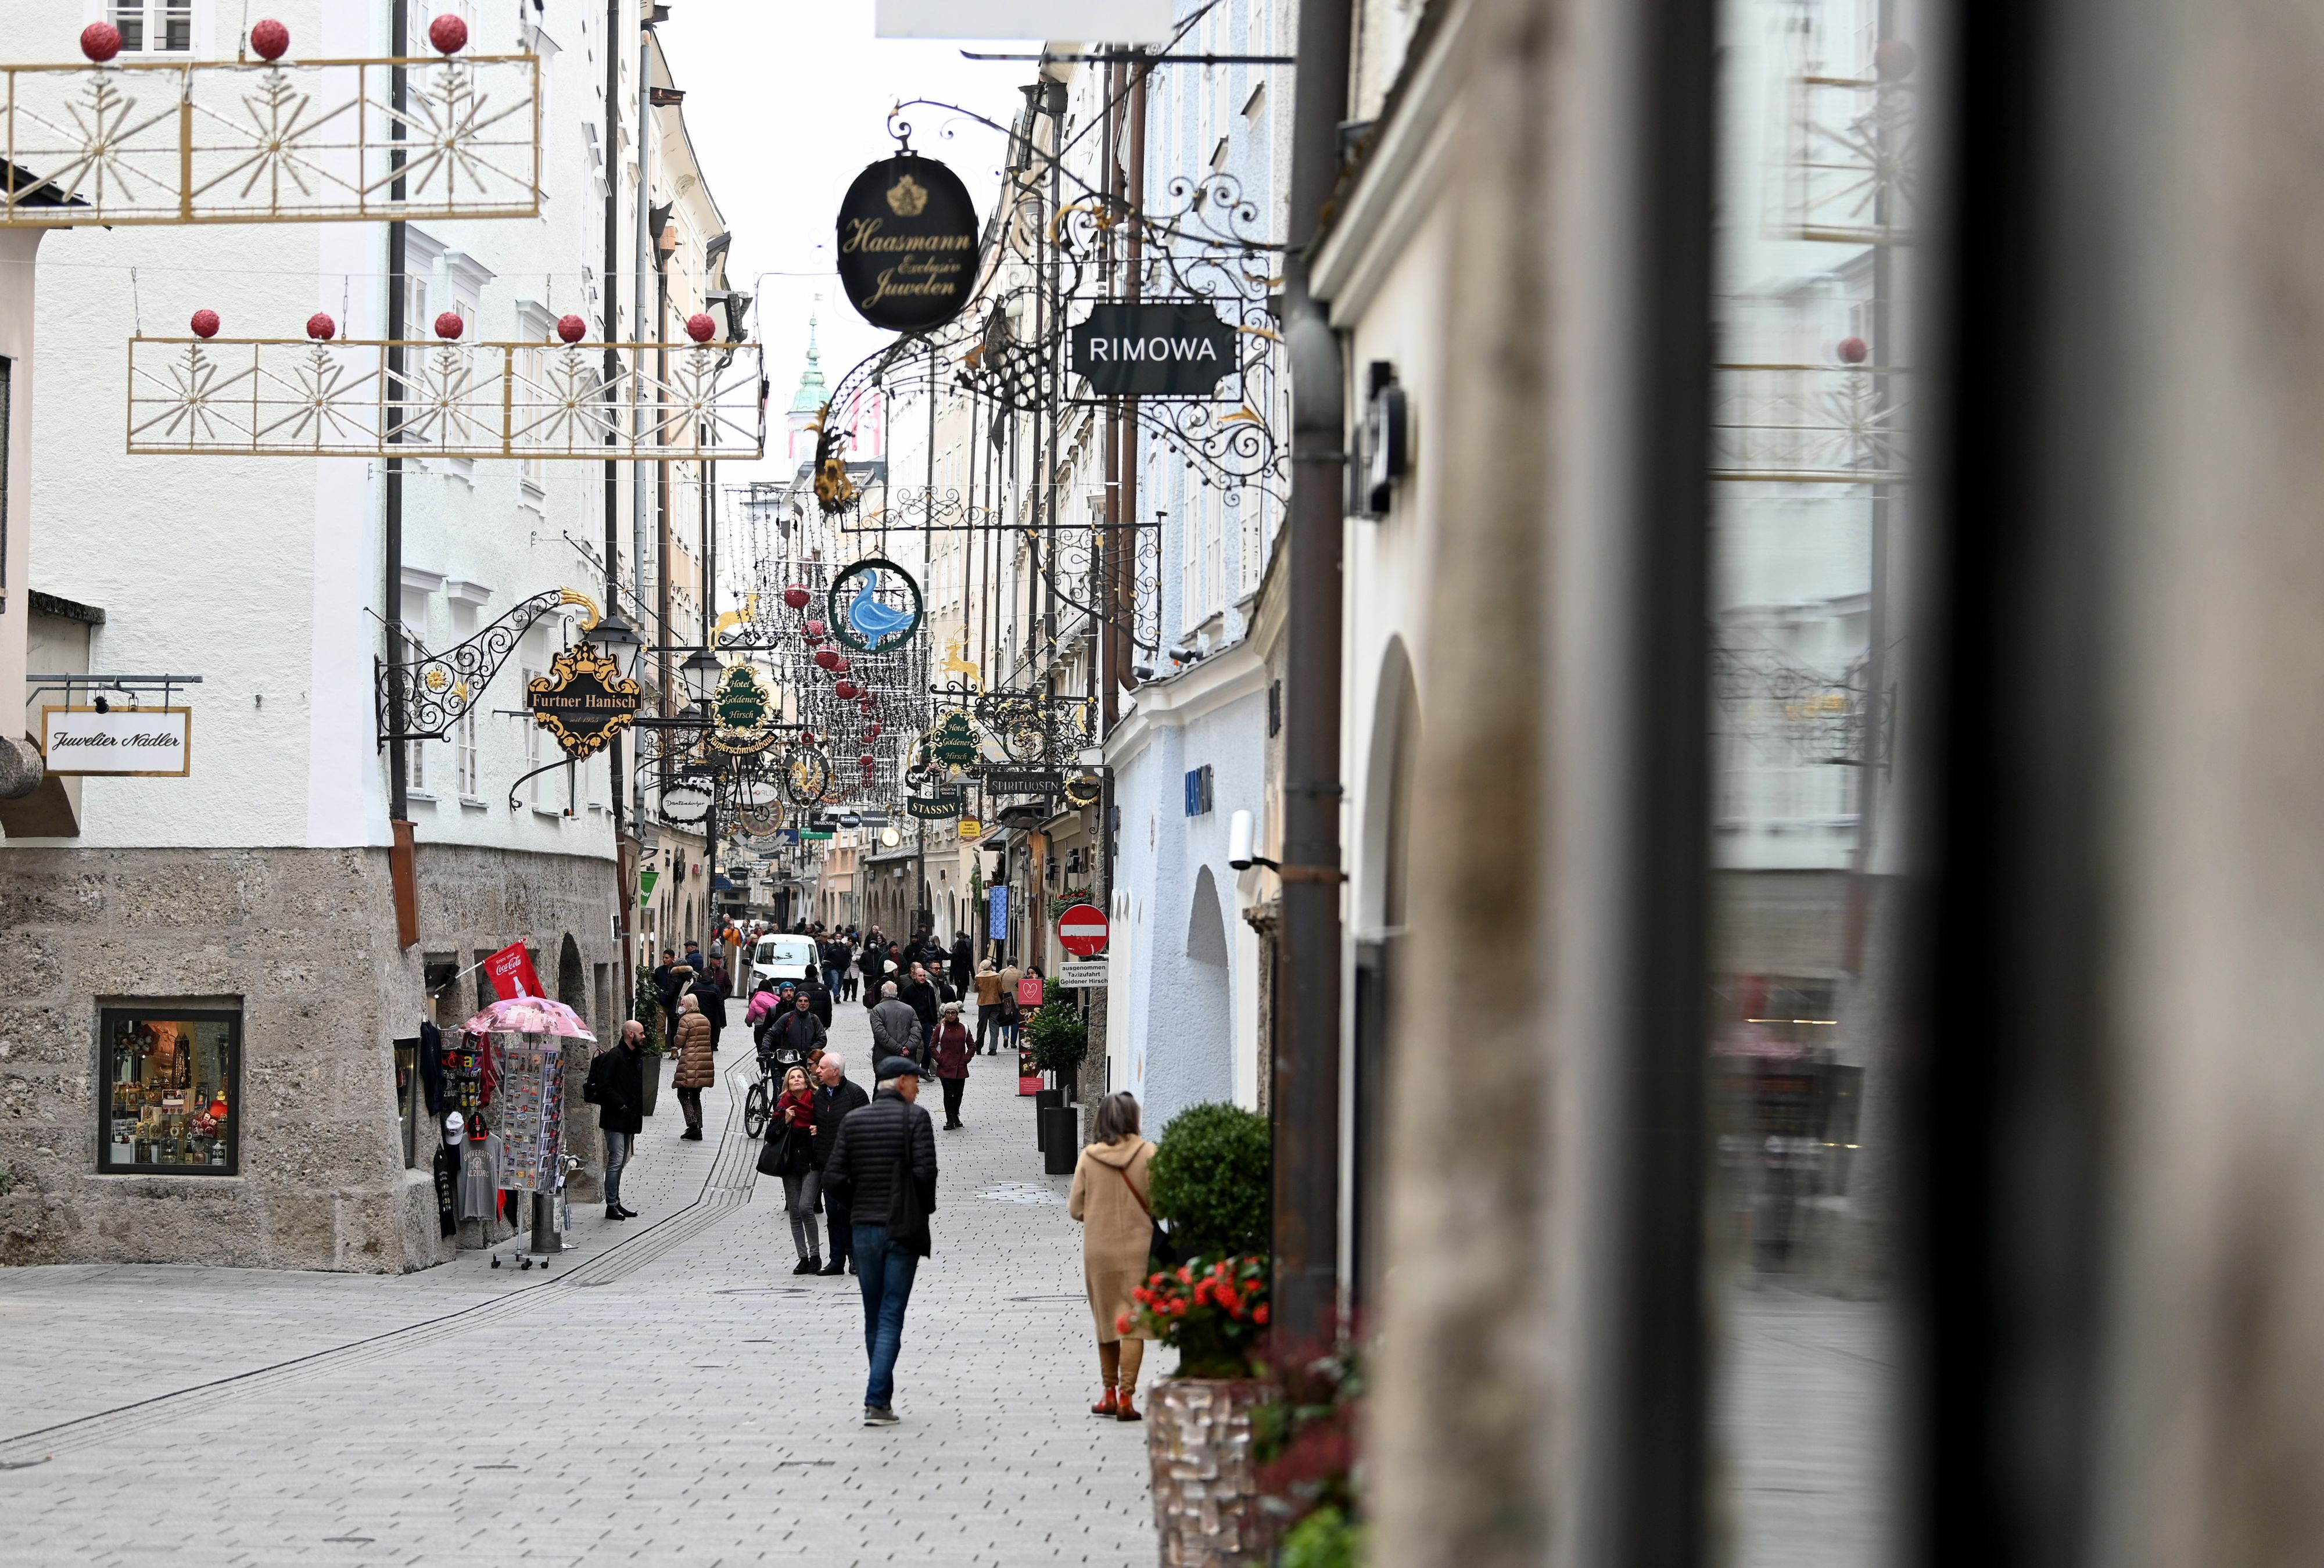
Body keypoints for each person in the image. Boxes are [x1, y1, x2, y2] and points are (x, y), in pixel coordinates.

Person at [823, 1054, 939, 1425]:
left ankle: (881, 1400)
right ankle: (877, 1400)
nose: (919, 1087)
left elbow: (833, 1177)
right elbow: (926, 1174)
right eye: (916, 1081)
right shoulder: (915, 1119)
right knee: (891, 1314)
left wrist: (857, 1203)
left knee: (874, 1314)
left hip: (865, 1230)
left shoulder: (854, 1120)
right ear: (901, 1082)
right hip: (902, 1229)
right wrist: (920, 1208)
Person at [1067, 1091, 1159, 1422]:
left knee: (1107, 1320)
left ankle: (1107, 1393)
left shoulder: (1090, 1157)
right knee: (1134, 1323)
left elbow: (1076, 1209)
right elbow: (1161, 1204)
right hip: (1139, 1249)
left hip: (1099, 1251)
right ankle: (1126, 1398)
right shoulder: (1149, 1153)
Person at [811, 1052, 870, 1275]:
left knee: (849, 1213)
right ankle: (836, 1260)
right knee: (833, 1213)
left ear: (835, 1071)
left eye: (822, 1068)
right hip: (827, 1165)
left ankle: (856, 1258)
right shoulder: (819, 1096)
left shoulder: (855, 1094)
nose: (817, 1071)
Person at [585, 1020, 647, 1220]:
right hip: (615, 1117)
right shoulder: (615, 1056)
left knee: (620, 1162)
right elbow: (604, 1087)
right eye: (641, 1033)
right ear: (630, 1034)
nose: (643, 1037)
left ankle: (616, 1201)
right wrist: (621, 1105)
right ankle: (611, 1205)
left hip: (628, 1117)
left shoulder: (635, 1056)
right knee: (615, 1160)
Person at [769, 1064, 823, 1273]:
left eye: (800, 1076)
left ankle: (816, 1255)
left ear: (806, 1081)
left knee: (805, 1208)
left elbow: (830, 1125)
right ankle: (803, 1258)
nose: (797, 1080)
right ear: (788, 1084)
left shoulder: (816, 1102)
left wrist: (819, 1129)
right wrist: (785, 1121)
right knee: (794, 1212)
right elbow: (770, 1136)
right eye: (793, 1078)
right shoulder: (783, 1105)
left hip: (811, 1163)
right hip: (790, 1165)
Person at [671, 992, 715, 1141]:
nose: (680, 1007)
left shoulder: (685, 1021)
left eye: (682, 1004)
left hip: (690, 1062)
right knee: (696, 1095)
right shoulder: (705, 1020)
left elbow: (679, 1042)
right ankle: (698, 1127)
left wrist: (675, 1036)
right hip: (704, 1062)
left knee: (682, 1094)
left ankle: (693, 1125)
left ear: (688, 1005)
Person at [931, 1002, 973, 1130]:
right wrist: (941, 1059)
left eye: (953, 1013)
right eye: (948, 1013)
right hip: (946, 1067)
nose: (951, 1015)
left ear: (957, 1014)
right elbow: (931, 1046)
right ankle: (950, 1119)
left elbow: (972, 1046)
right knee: (949, 1093)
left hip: (960, 1067)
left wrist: (966, 1059)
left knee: (959, 1093)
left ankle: (956, 1115)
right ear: (945, 1014)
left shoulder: (964, 1028)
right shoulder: (940, 1028)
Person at [870, 979, 924, 1067]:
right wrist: (908, 1047)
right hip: (907, 1059)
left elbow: (880, 1034)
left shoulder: (877, 1010)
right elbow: (917, 1031)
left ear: (882, 994)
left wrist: (899, 1049)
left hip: (884, 1060)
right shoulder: (909, 1009)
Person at [769, 989, 827, 1067]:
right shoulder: (788, 1017)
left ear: (809, 1004)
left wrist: (811, 1050)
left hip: (808, 1061)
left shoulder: (814, 1019)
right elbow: (771, 1033)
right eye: (800, 1001)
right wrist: (765, 1049)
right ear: (796, 1003)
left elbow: (823, 1039)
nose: (803, 1004)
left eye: (806, 1001)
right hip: (789, 1061)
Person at [899, 962, 942, 1054]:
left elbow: (933, 1006)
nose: (922, 978)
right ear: (915, 976)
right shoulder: (907, 991)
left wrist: (935, 1022)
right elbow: (903, 1008)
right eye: (920, 976)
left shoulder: (929, 989)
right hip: (913, 1023)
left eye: (924, 976)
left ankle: (925, 1068)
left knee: (928, 1046)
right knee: (915, 1046)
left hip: (927, 1022)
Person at [974, 955, 1005, 1054]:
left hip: (983, 1004)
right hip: (995, 1003)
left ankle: (978, 1047)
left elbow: (976, 989)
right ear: (990, 966)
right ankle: (993, 1048)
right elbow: (1001, 990)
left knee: (981, 1026)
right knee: (994, 1025)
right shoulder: (996, 976)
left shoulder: (978, 977)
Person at [998, 954, 1025, 1056]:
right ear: (1016, 964)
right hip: (1018, 999)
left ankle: (1005, 1035)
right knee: (1016, 1021)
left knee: (1006, 1019)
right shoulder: (1021, 973)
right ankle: (1013, 1042)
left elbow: (999, 985)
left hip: (1007, 998)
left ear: (1007, 964)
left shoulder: (1002, 972)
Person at [949, 932, 974, 999]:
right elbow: (971, 965)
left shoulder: (955, 955)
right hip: (965, 973)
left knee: (959, 989)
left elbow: (952, 966)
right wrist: (974, 976)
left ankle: (958, 1000)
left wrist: (951, 976)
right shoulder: (967, 954)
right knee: (963, 989)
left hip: (957, 974)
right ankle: (961, 1002)